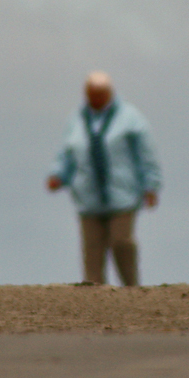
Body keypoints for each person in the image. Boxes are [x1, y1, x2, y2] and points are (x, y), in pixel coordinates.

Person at [47, 71, 162, 286]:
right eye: (91, 94)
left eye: (100, 94)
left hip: (123, 195)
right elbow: (68, 153)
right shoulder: (77, 119)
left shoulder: (130, 118)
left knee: (121, 242)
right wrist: (58, 175)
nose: (95, 98)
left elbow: (146, 155)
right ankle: (95, 293)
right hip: (88, 197)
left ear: (109, 93)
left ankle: (132, 288)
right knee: (92, 248)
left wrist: (151, 186)